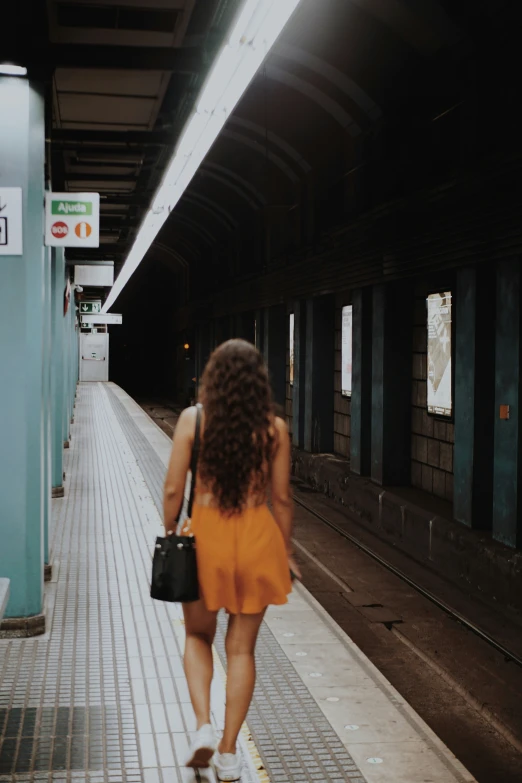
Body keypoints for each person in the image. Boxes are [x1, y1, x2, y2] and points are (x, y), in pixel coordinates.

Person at [163, 339, 301, 782]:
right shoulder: (275, 429)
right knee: (241, 649)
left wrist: (170, 533)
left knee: (198, 637)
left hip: (205, 539)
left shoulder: (193, 420)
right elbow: (281, 499)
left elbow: (171, 492)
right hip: (256, 538)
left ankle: (203, 726)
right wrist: (285, 549)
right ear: (258, 382)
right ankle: (227, 754)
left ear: (214, 378)